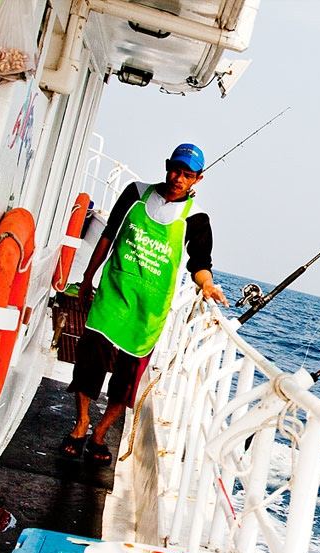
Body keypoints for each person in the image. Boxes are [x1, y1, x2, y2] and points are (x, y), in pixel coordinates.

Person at [60, 143, 230, 464]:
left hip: (149, 311)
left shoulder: (196, 219)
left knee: (126, 377)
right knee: (90, 359)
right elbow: (109, 235)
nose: (179, 178)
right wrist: (87, 277)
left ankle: (100, 433)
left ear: (198, 179)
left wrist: (207, 285)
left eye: (188, 175)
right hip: (114, 292)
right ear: (167, 166)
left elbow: (199, 262)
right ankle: (81, 423)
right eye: (176, 170)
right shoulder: (136, 193)